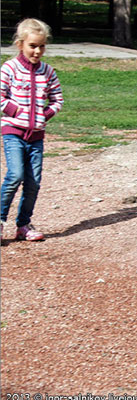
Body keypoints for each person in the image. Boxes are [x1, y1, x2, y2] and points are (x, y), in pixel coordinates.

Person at [1, 18, 64, 242]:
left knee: (33, 182)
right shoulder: (9, 68)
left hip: (36, 136)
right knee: (15, 175)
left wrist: (43, 116)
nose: (37, 51)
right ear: (20, 44)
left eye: (42, 46)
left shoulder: (48, 72)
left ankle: (23, 225)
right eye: (32, 46)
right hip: (13, 132)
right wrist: (14, 111)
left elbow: (57, 100)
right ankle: (0, 221)